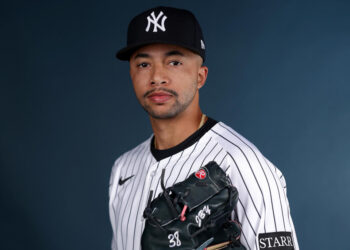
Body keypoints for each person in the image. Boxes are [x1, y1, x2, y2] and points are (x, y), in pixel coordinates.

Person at [109, 6, 299, 250]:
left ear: (200, 76)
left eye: (174, 62)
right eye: (143, 64)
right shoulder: (123, 170)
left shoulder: (243, 165)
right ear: (131, 74)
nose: (157, 77)